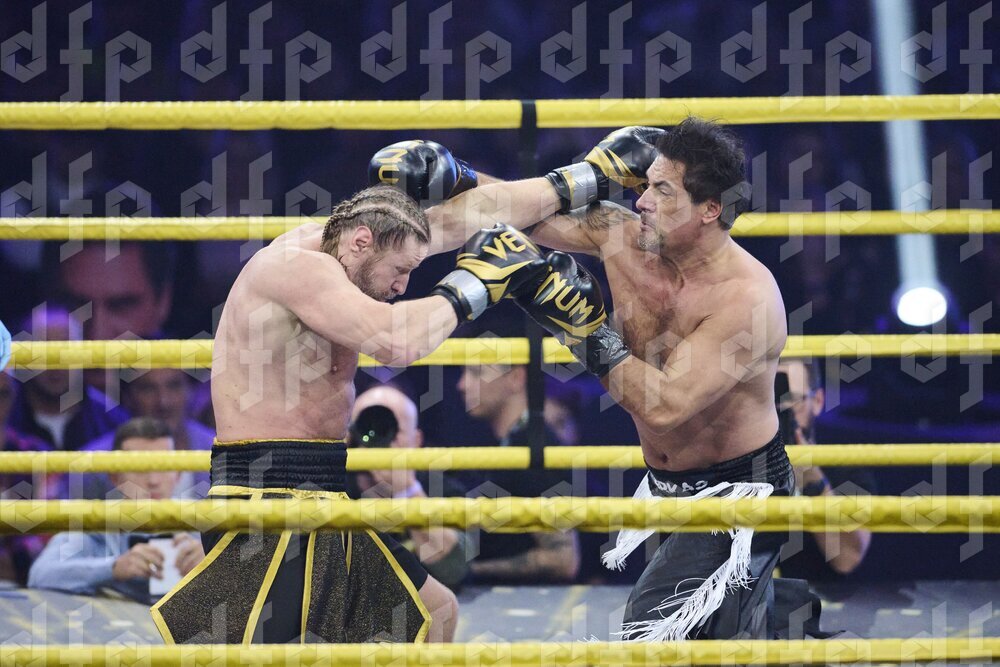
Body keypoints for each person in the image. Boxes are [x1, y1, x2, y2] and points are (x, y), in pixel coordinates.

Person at [371, 118, 799, 640]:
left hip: (739, 492)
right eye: (646, 185)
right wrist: (457, 179)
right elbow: (519, 212)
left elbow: (665, 407)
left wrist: (586, 332)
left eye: (663, 192)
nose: (642, 201)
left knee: (652, 634)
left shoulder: (746, 300)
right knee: (722, 638)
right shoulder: (625, 237)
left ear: (710, 209)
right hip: (668, 486)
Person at [151, 185, 551, 645]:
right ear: (361, 241)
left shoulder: (354, 252)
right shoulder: (297, 267)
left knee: (434, 613)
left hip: (321, 490)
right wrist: (473, 286)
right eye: (400, 271)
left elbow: (461, 219)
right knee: (269, 652)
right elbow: (396, 342)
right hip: (268, 495)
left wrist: (577, 182)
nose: (402, 287)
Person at [28, 417, 205, 603]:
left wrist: (214, 565)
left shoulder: (204, 521)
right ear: (115, 477)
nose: (153, 481)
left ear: (178, 474)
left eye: (164, 467)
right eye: (140, 468)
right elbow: (40, 575)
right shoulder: (97, 522)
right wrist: (113, 568)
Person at [456, 363, 579, 583]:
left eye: (476, 372)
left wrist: (469, 571)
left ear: (515, 378)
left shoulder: (534, 448)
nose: (462, 384)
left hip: (527, 600)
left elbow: (563, 560)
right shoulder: (511, 444)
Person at [348, 384, 469, 591]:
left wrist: (408, 492)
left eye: (390, 428)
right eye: (367, 427)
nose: (378, 437)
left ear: (416, 440)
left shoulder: (441, 489)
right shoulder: (333, 489)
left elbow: (452, 571)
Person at [777, 359, 875, 579]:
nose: (782, 411)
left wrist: (810, 477)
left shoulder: (845, 468)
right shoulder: (736, 468)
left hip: (820, 597)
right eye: (773, 401)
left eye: (793, 400)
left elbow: (847, 558)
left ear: (818, 401)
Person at [76, 369, 214, 500]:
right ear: (128, 396)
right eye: (148, 389)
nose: (163, 402)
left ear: (191, 390)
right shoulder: (90, 464)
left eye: (174, 386)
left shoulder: (218, 452)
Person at [7, 306, 128, 452]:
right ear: (24, 357)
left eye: (66, 350)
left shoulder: (112, 421)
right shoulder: (6, 418)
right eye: (43, 351)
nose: (56, 363)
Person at [0, 369, 55, 584]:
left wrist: (17, 556)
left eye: (2, 394)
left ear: (13, 397)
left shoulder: (37, 454)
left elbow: (51, 532)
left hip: (24, 577)